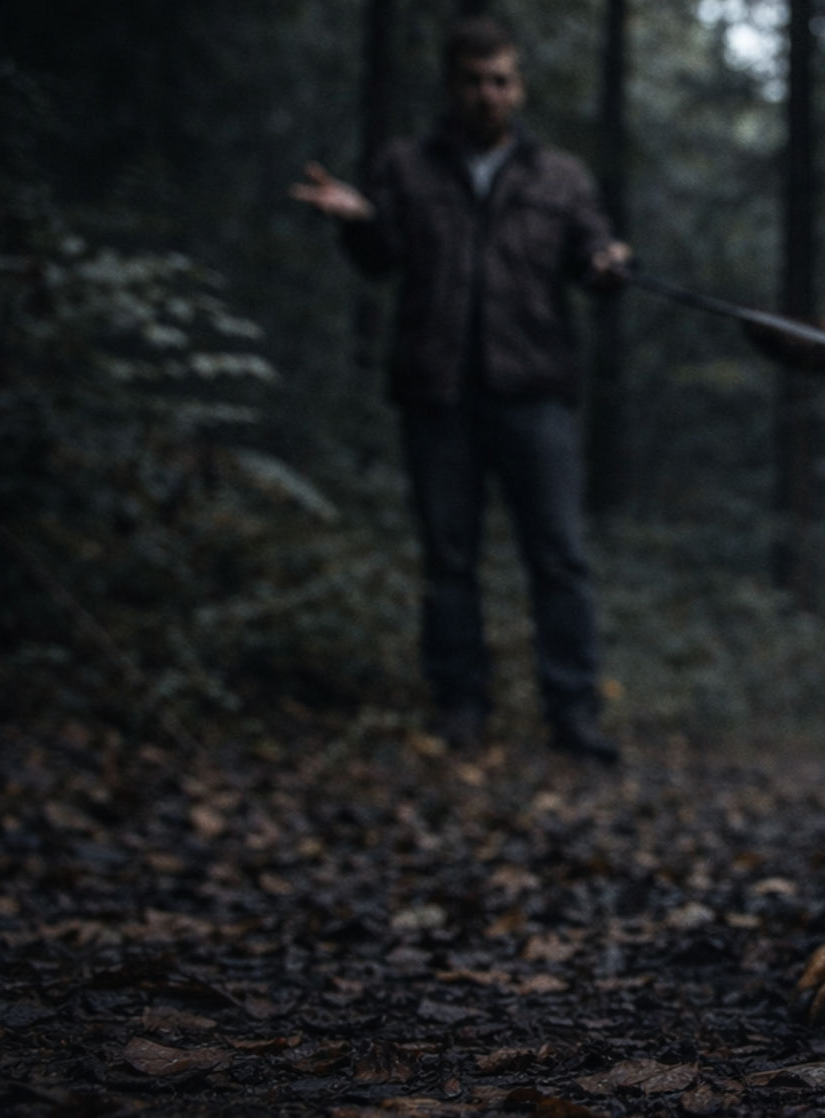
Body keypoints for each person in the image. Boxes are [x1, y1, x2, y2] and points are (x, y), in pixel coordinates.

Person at [292, 14, 629, 764]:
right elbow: (379, 260)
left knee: (561, 559)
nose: (488, 94)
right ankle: (460, 707)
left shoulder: (562, 178)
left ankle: (573, 713)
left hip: (536, 393)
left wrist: (608, 261)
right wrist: (355, 222)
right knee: (449, 560)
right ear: (452, 86)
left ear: (519, 86)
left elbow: (594, 264)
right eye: (474, 81)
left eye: (501, 79)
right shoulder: (405, 168)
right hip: (438, 394)